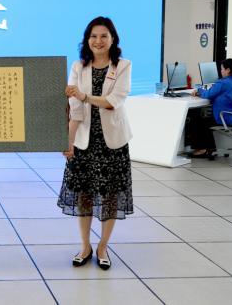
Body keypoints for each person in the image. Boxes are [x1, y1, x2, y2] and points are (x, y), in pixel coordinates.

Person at [60, 17, 133, 271]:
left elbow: (114, 101)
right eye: (93, 36)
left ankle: (103, 247)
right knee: (84, 195)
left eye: (104, 36)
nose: (98, 41)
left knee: (111, 195)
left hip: (112, 143)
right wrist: (69, 142)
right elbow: (75, 109)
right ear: (87, 40)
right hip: (85, 142)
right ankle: (85, 246)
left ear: (113, 39)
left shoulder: (122, 66)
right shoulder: (78, 67)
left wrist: (83, 95)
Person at [189, 59, 232, 157]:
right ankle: (211, 148)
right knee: (206, 121)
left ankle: (202, 150)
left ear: (228, 70)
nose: (221, 71)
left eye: (222, 69)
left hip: (224, 118)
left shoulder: (223, 82)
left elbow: (208, 94)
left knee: (198, 122)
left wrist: (199, 90)